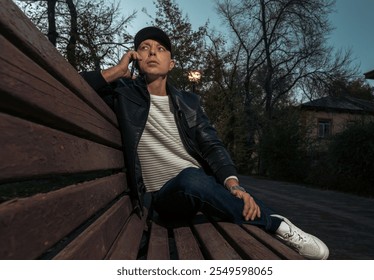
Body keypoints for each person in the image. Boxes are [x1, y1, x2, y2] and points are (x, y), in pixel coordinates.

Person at [81, 26, 329, 260]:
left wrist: (234, 186)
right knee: (191, 177)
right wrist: (116, 72)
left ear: (172, 64)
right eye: (144, 47)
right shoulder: (123, 93)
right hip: (164, 198)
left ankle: (265, 217)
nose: (153, 51)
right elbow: (80, 86)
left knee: (198, 179)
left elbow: (212, 146)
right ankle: (275, 224)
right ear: (136, 58)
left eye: (160, 48)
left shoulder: (189, 102)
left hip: (201, 188)